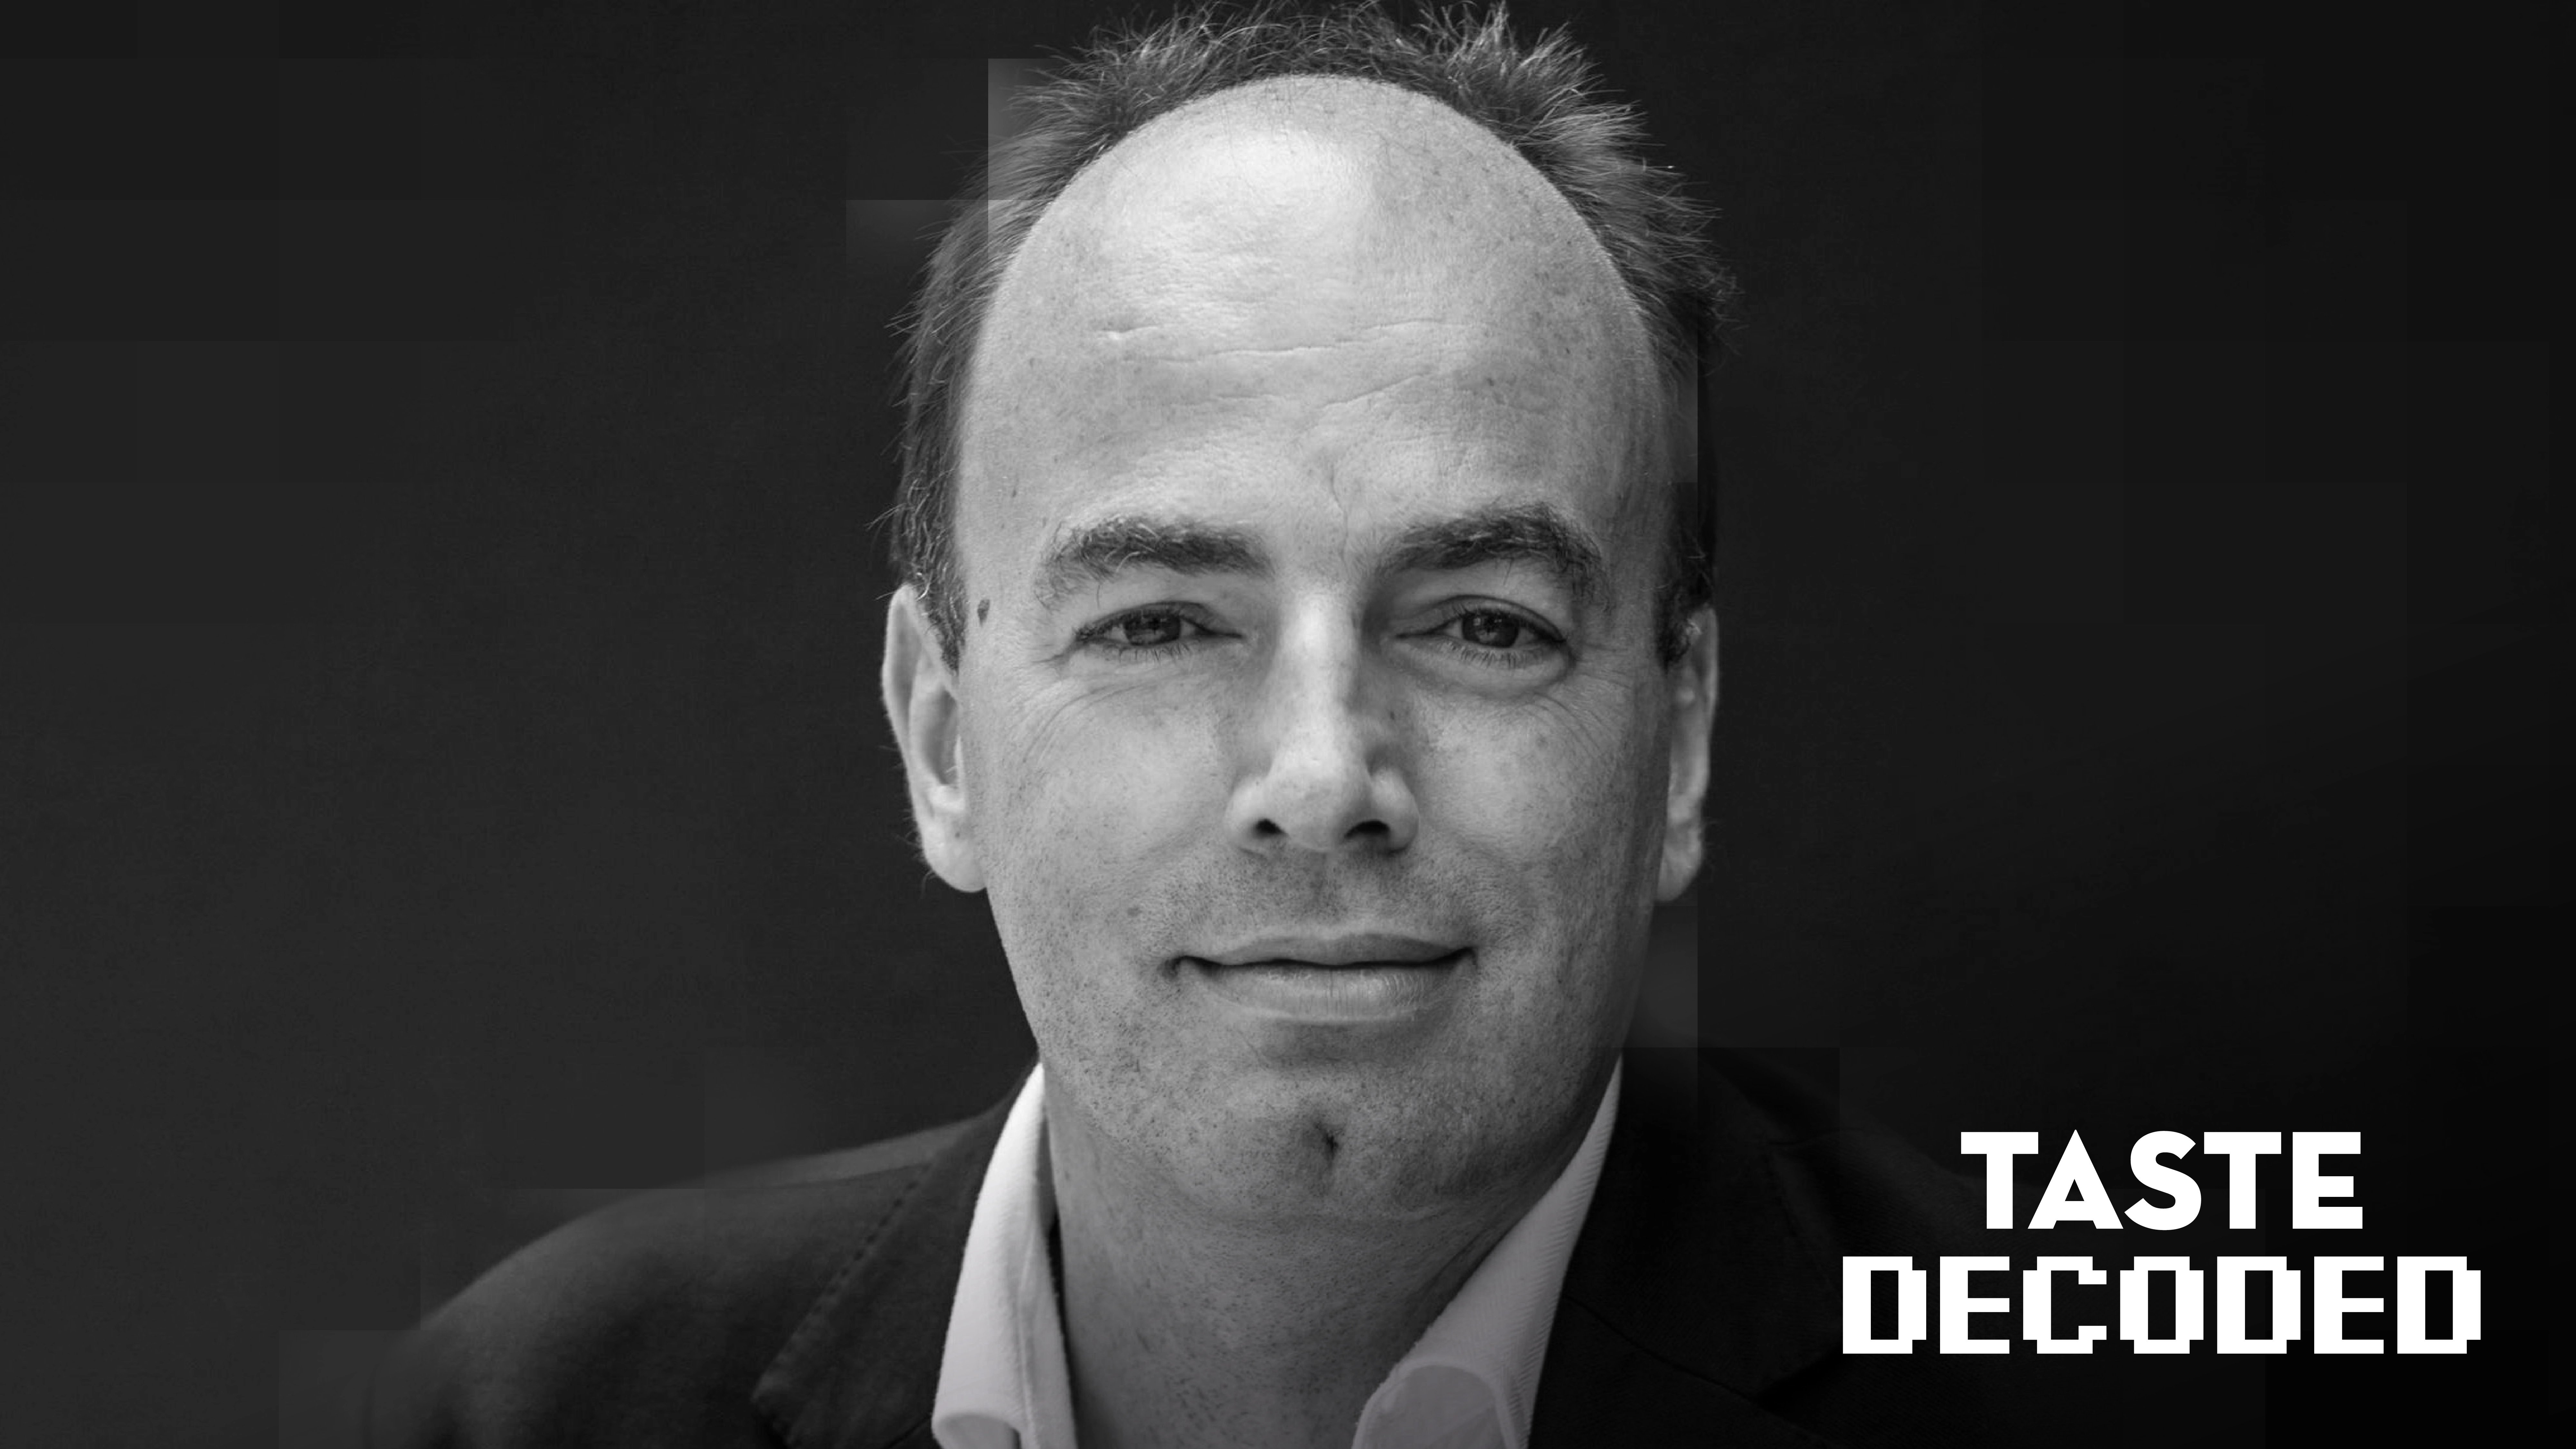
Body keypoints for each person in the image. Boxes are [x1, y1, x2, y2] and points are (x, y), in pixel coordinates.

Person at [361, 5, 2021, 1445]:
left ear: (1681, 738)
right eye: (1158, 624)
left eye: (1483, 625)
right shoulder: (532, 1409)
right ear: (943, 743)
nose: (1320, 779)